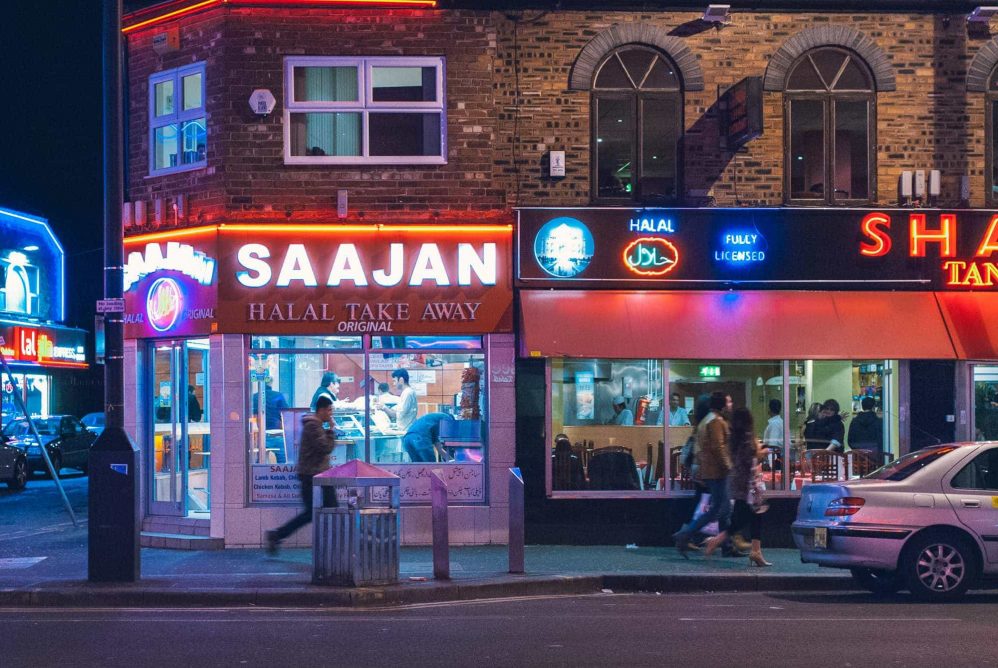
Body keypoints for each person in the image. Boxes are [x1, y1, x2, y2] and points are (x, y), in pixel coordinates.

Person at [265, 396, 337, 555]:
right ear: (322, 410)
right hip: (313, 475)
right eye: (330, 410)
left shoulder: (315, 425)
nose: (331, 414)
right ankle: (277, 534)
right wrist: (331, 431)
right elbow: (325, 447)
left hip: (319, 475)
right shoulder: (313, 426)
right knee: (319, 511)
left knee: (327, 510)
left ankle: (333, 544)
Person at [704, 408, 772, 566]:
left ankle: (756, 551)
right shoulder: (747, 439)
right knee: (743, 519)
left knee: (754, 515)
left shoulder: (735, 438)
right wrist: (761, 454)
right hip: (749, 485)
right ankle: (716, 540)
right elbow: (749, 460)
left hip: (740, 484)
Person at [672, 391, 732, 558]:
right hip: (716, 471)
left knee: (720, 509)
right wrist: (728, 466)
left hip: (709, 471)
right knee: (719, 510)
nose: (730, 405)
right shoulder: (714, 421)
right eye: (728, 402)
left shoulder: (706, 421)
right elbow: (718, 447)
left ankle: (726, 543)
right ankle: (686, 534)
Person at [252, 380, 289, 464]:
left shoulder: (255, 397)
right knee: (283, 462)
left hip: (262, 434)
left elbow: (253, 416)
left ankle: (259, 476)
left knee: (260, 462)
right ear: (271, 383)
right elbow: (285, 413)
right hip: (278, 433)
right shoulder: (278, 396)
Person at [848, 396, 884, 462]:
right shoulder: (878, 421)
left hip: (858, 455)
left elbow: (850, 440)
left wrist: (857, 449)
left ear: (862, 406)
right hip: (874, 455)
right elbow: (881, 439)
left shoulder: (854, 421)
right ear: (873, 407)